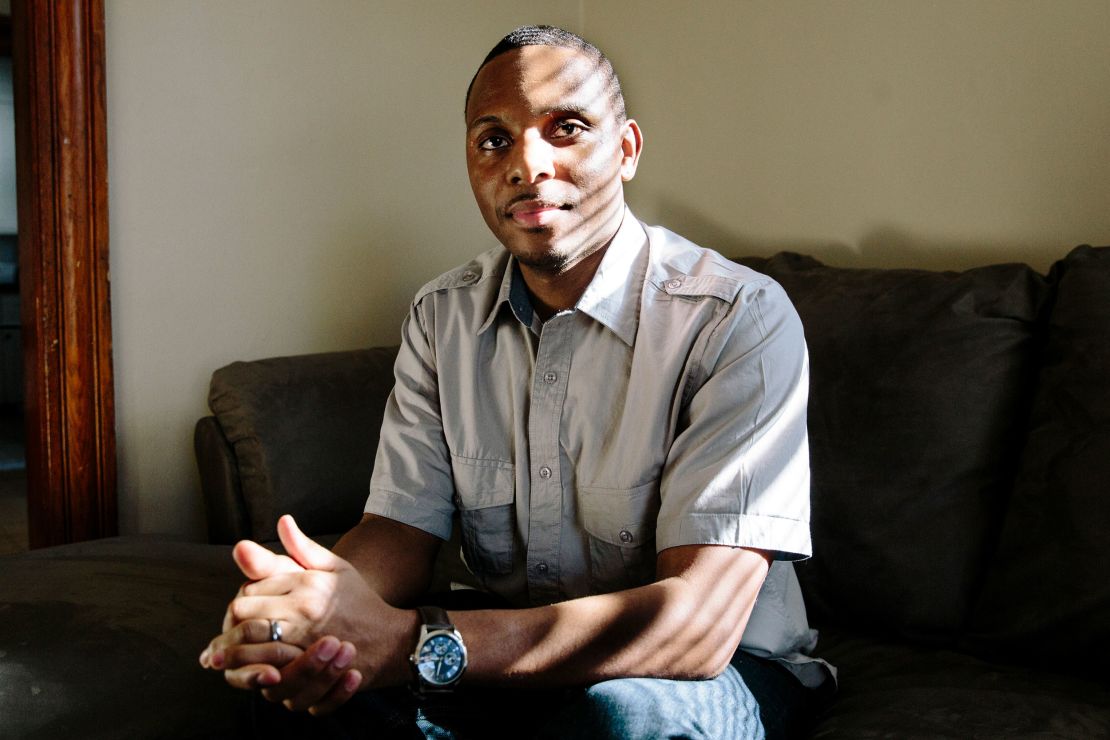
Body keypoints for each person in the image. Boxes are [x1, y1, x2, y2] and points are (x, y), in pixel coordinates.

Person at [199, 25, 834, 739]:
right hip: (503, 655)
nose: (528, 166)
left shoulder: (735, 317)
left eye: (565, 128)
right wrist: (314, 617)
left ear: (626, 150)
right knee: (304, 689)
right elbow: (400, 530)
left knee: (619, 717)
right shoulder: (443, 315)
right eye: (494, 139)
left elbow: (696, 624)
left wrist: (414, 643)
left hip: (711, 670)